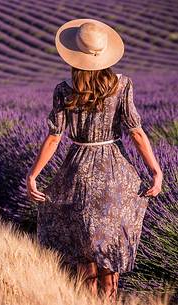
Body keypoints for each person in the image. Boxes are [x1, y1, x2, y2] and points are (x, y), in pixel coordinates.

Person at [25, 19, 163, 303]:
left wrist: (34, 175)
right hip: (115, 173)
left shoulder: (64, 90)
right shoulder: (122, 85)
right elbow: (136, 132)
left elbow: (54, 137)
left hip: (78, 173)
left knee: (84, 251)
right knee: (109, 250)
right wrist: (155, 170)